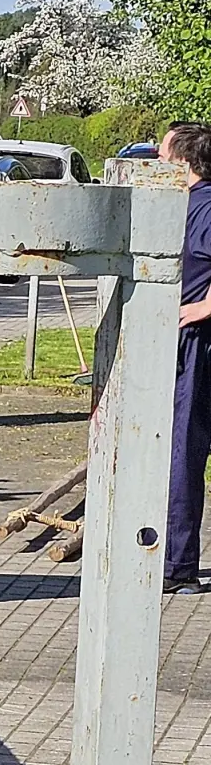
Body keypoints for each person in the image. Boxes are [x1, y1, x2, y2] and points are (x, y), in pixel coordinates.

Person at [161, 121, 211, 594]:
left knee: (182, 451)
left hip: (195, 344)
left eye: (162, 156)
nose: (157, 164)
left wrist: (202, 306)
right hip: (182, 342)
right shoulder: (188, 204)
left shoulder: (206, 207)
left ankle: (177, 565)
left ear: (183, 162)